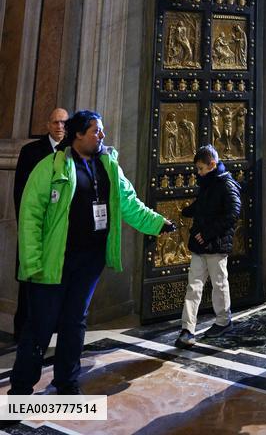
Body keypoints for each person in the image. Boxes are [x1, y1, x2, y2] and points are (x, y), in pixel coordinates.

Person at [8, 110, 175, 395]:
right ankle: (21, 390)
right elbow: (30, 217)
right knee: (40, 327)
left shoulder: (109, 166)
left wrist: (157, 224)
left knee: (75, 323)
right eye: (96, 130)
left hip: (89, 263)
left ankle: (67, 382)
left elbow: (129, 203)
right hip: (53, 262)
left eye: (102, 130)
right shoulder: (50, 167)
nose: (102, 135)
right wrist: (31, 262)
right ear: (78, 134)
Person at [176, 144, 242, 349]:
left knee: (219, 284)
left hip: (216, 244)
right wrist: (188, 211)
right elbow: (203, 205)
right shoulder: (208, 182)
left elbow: (233, 214)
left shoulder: (226, 184)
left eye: (201, 169)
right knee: (193, 286)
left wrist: (207, 234)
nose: (199, 173)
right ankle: (187, 328)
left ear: (212, 164)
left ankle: (223, 321)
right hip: (201, 244)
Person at [12, 108, 69, 339]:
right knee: (29, 282)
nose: (60, 127)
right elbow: (20, 193)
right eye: (55, 122)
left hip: (60, 231)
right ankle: (23, 331)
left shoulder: (71, 152)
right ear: (47, 125)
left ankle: (51, 329)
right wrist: (27, 228)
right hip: (35, 227)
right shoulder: (31, 151)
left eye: (64, 123)